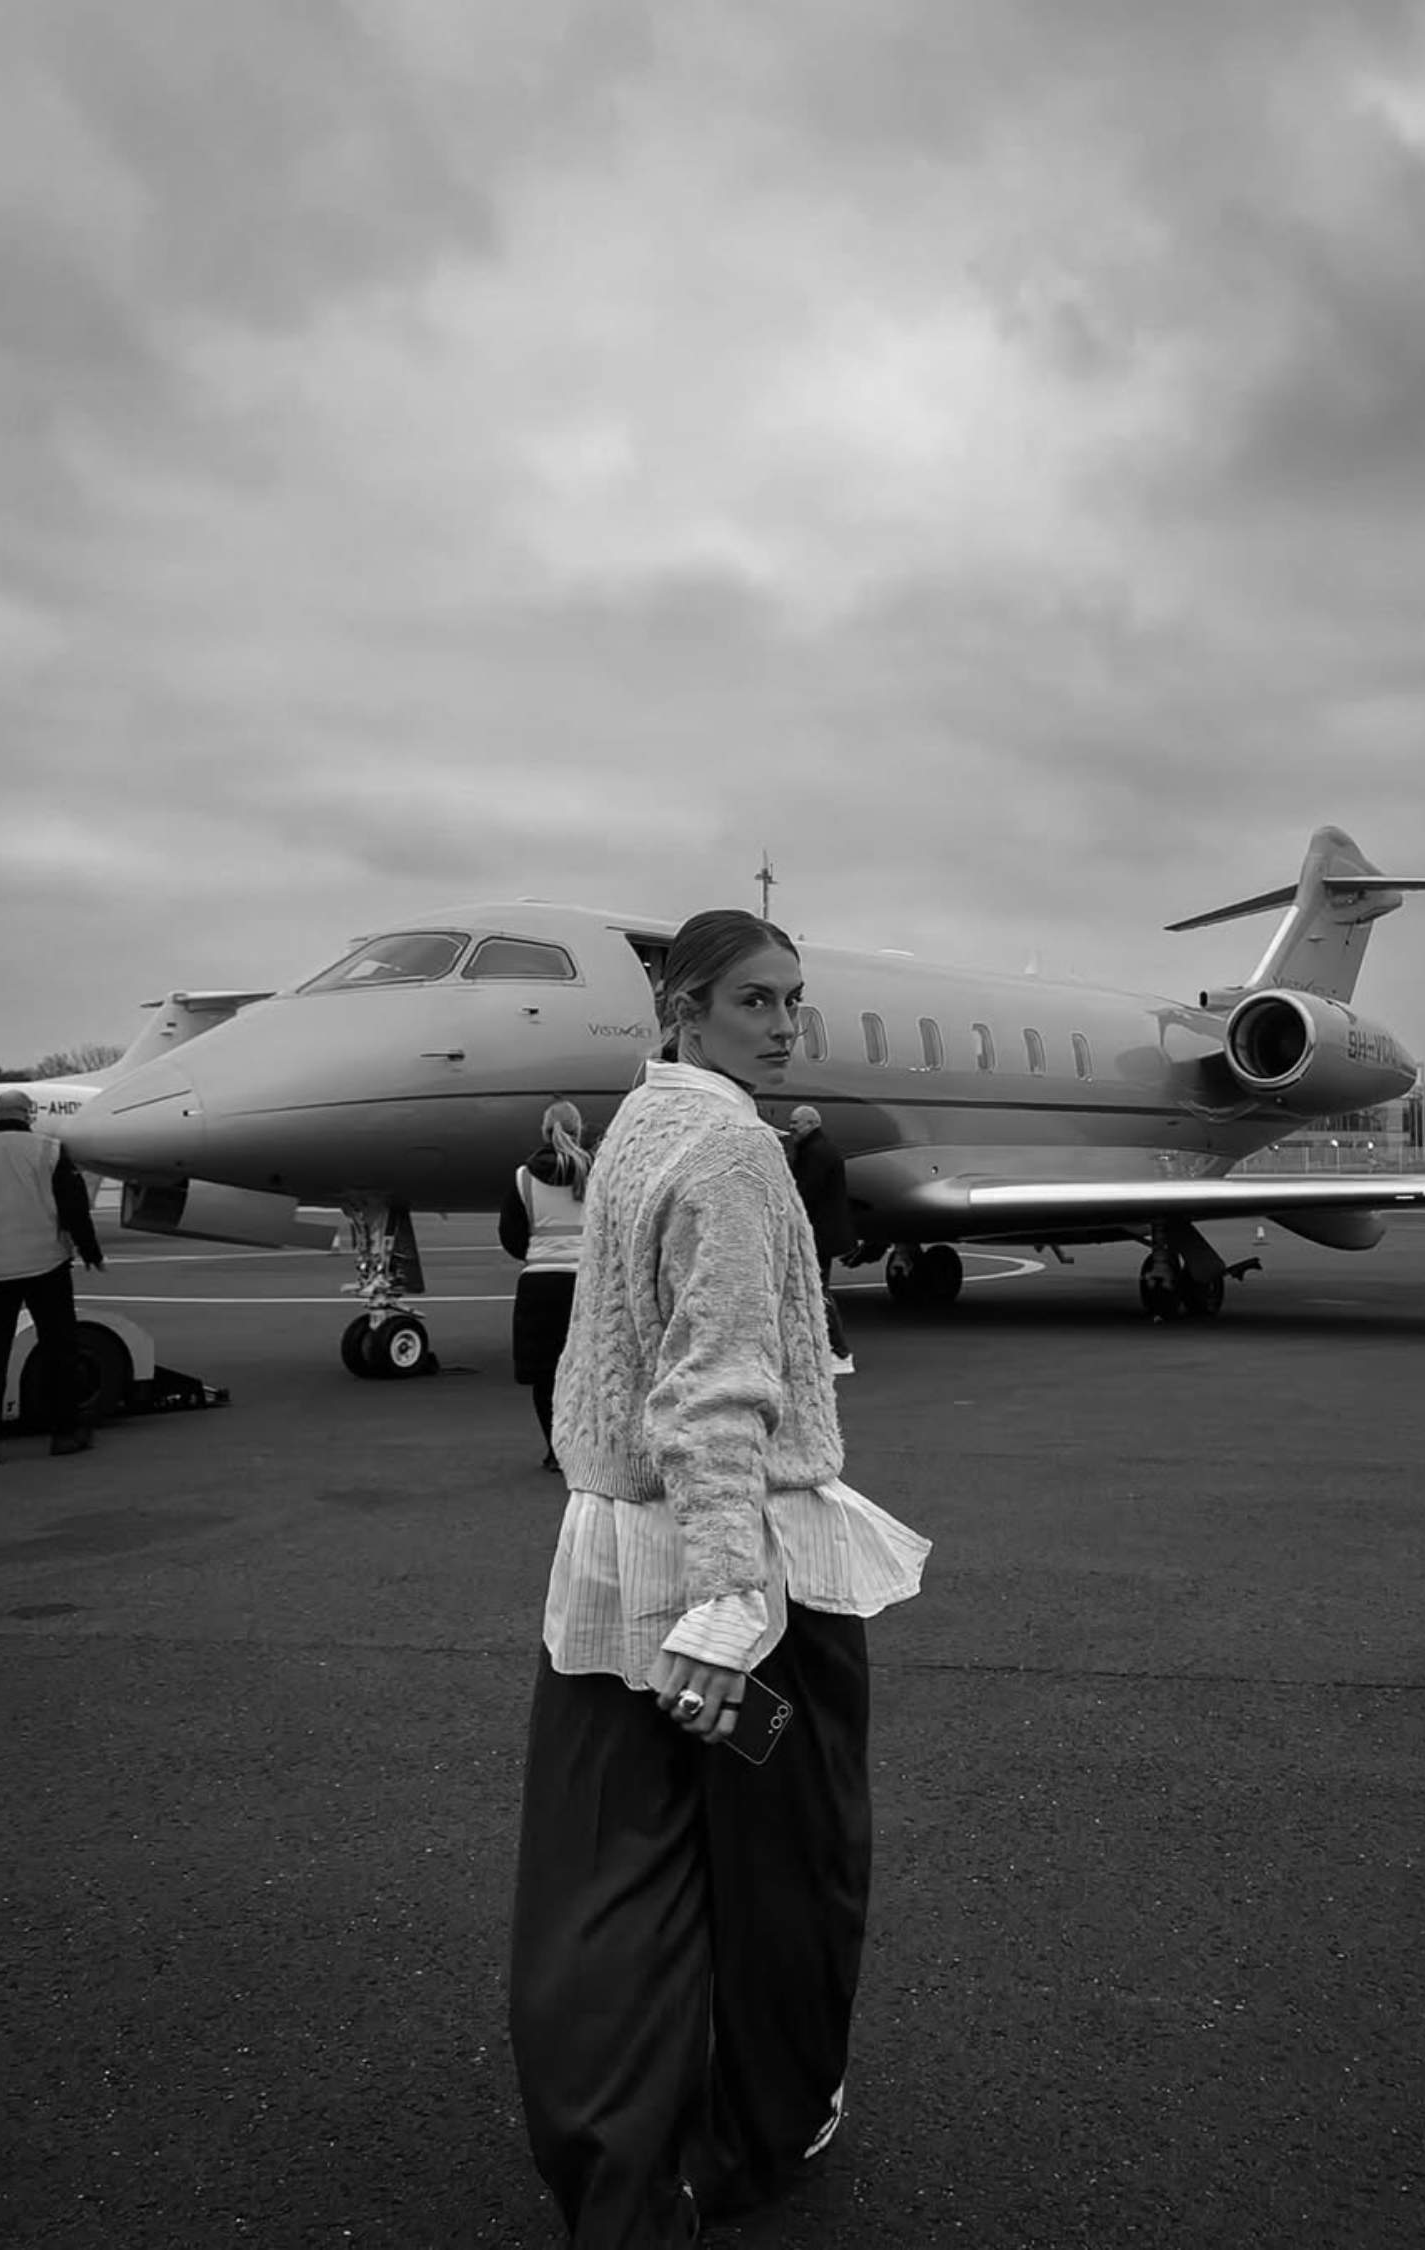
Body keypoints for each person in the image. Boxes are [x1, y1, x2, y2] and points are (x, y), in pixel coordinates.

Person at [508, 909, 929, 2249]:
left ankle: (614, 2161)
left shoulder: (636, 1126)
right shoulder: (737, 1147)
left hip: (609, 1561)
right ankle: (763, 2125)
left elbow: (617, 1357)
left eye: (793, 999)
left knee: (608, 1872)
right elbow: (720, 1383)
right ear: (684, 1006)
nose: (783, 1023)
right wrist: (735, 1591)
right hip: (748, 1576)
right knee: (792, 1861)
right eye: (755, 1000)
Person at [0, 1087, 104, 1461]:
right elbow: (74, 1208)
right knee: (60, 1350)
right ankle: (65, 1432)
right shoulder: (49, 1149)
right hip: (46, 1265)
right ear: (29, 1115)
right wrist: (91, 1252)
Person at [499, 1100, 595, 1472]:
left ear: (544, 1131)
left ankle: (555, 1450)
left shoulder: (523, 1177)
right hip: (585, 1279)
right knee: (587, 1369)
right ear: (578, 1130)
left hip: (540, 1281)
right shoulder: (596, 1169)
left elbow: (511, 1234)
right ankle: (587, 1446)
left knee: (545, 1374)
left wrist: (537, 1253)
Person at [785, 1104, 857, 1375]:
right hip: (822, 1234)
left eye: (796, 1123)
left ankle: (840, 1352)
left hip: (820, 1236)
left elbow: (804, 1192)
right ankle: (825, 1350)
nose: (792, 1127)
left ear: (812, 1124)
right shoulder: (815, 1149)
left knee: (819, 1292)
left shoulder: (817, 1153)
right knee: (815, 1290)